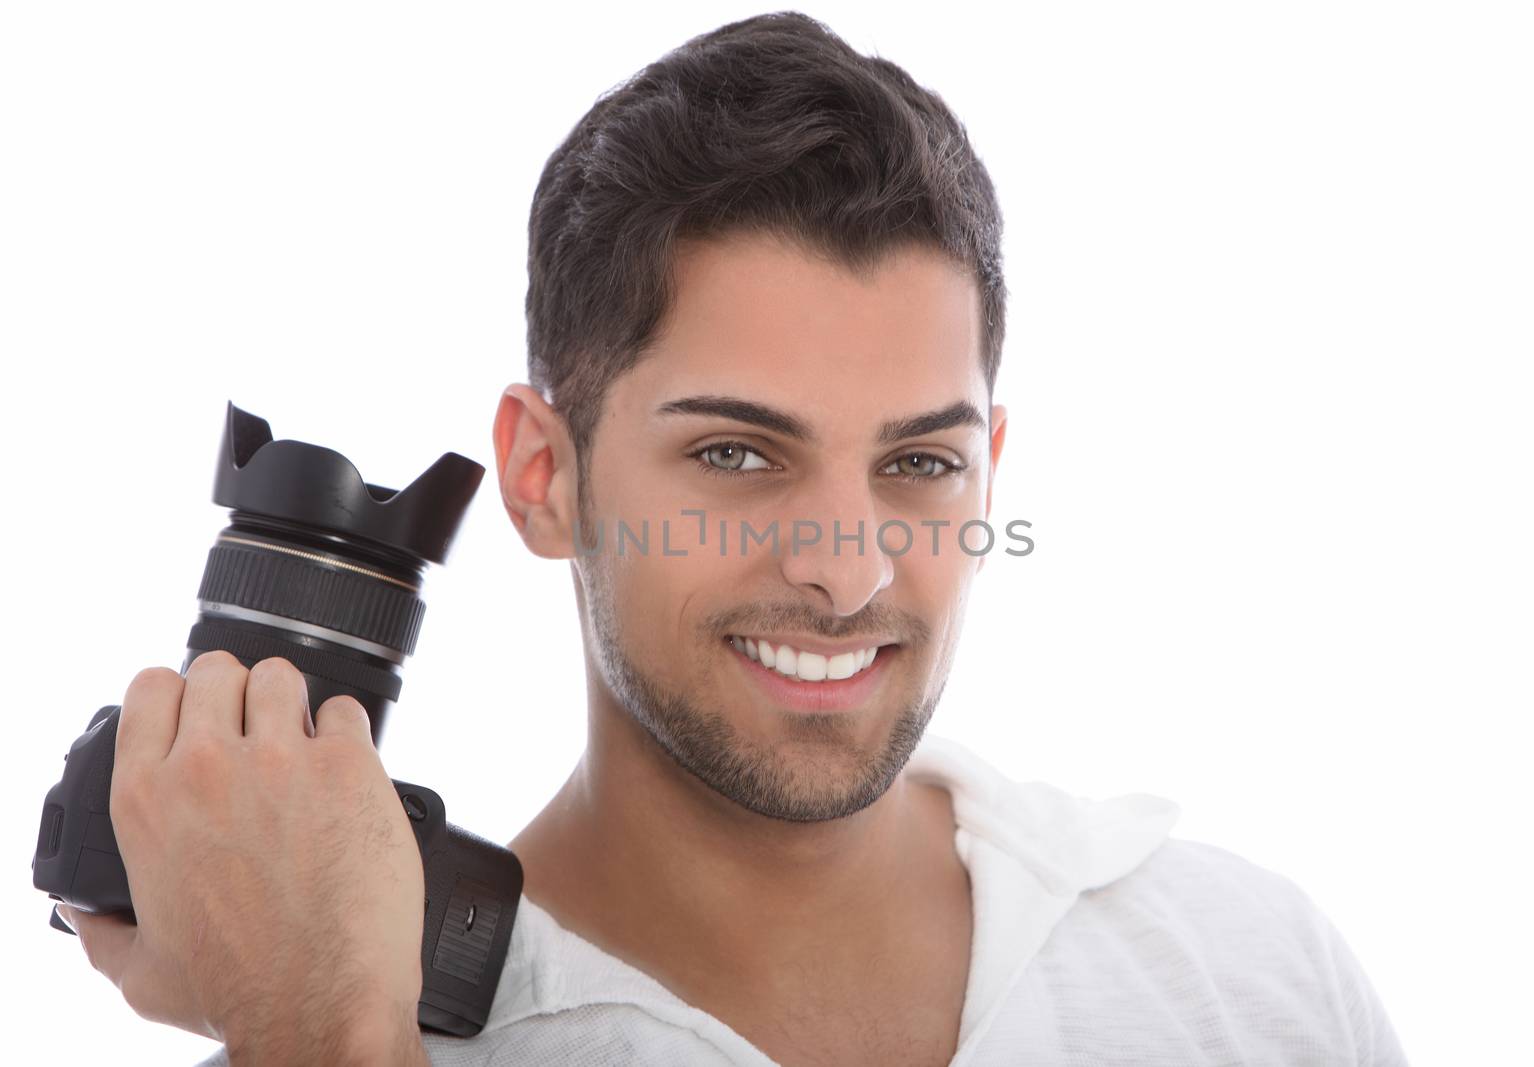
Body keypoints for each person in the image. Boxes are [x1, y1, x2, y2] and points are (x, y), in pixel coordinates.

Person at [60, 11, 1408, 1066]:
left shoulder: (1247, 974)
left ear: (989, 473)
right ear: (544, 474)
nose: (847, 566)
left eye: (920, 461)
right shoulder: (352, 1029)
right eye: (738, 455)